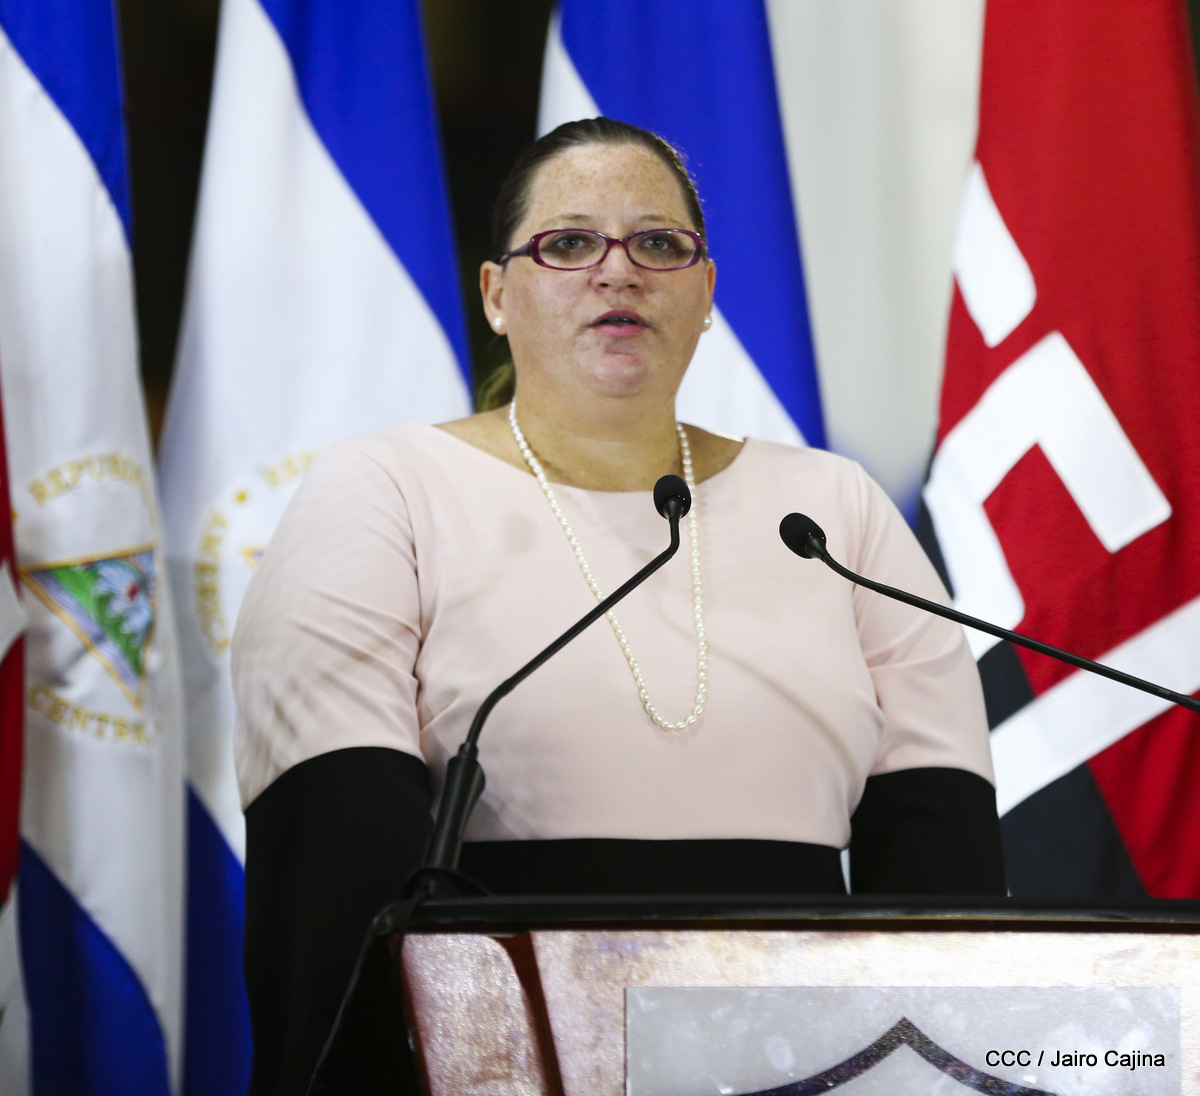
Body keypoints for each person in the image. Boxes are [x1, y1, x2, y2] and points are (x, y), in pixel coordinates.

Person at [233, 117, 1005, 1095]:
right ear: (497, 294)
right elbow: (337, 864)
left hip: (809, 1058)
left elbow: (944, 866)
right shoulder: (386, 486)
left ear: (705, 291)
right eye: (567, 244)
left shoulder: (830, 507)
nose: (618, 272)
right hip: (507, 1052)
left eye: (658, 245)